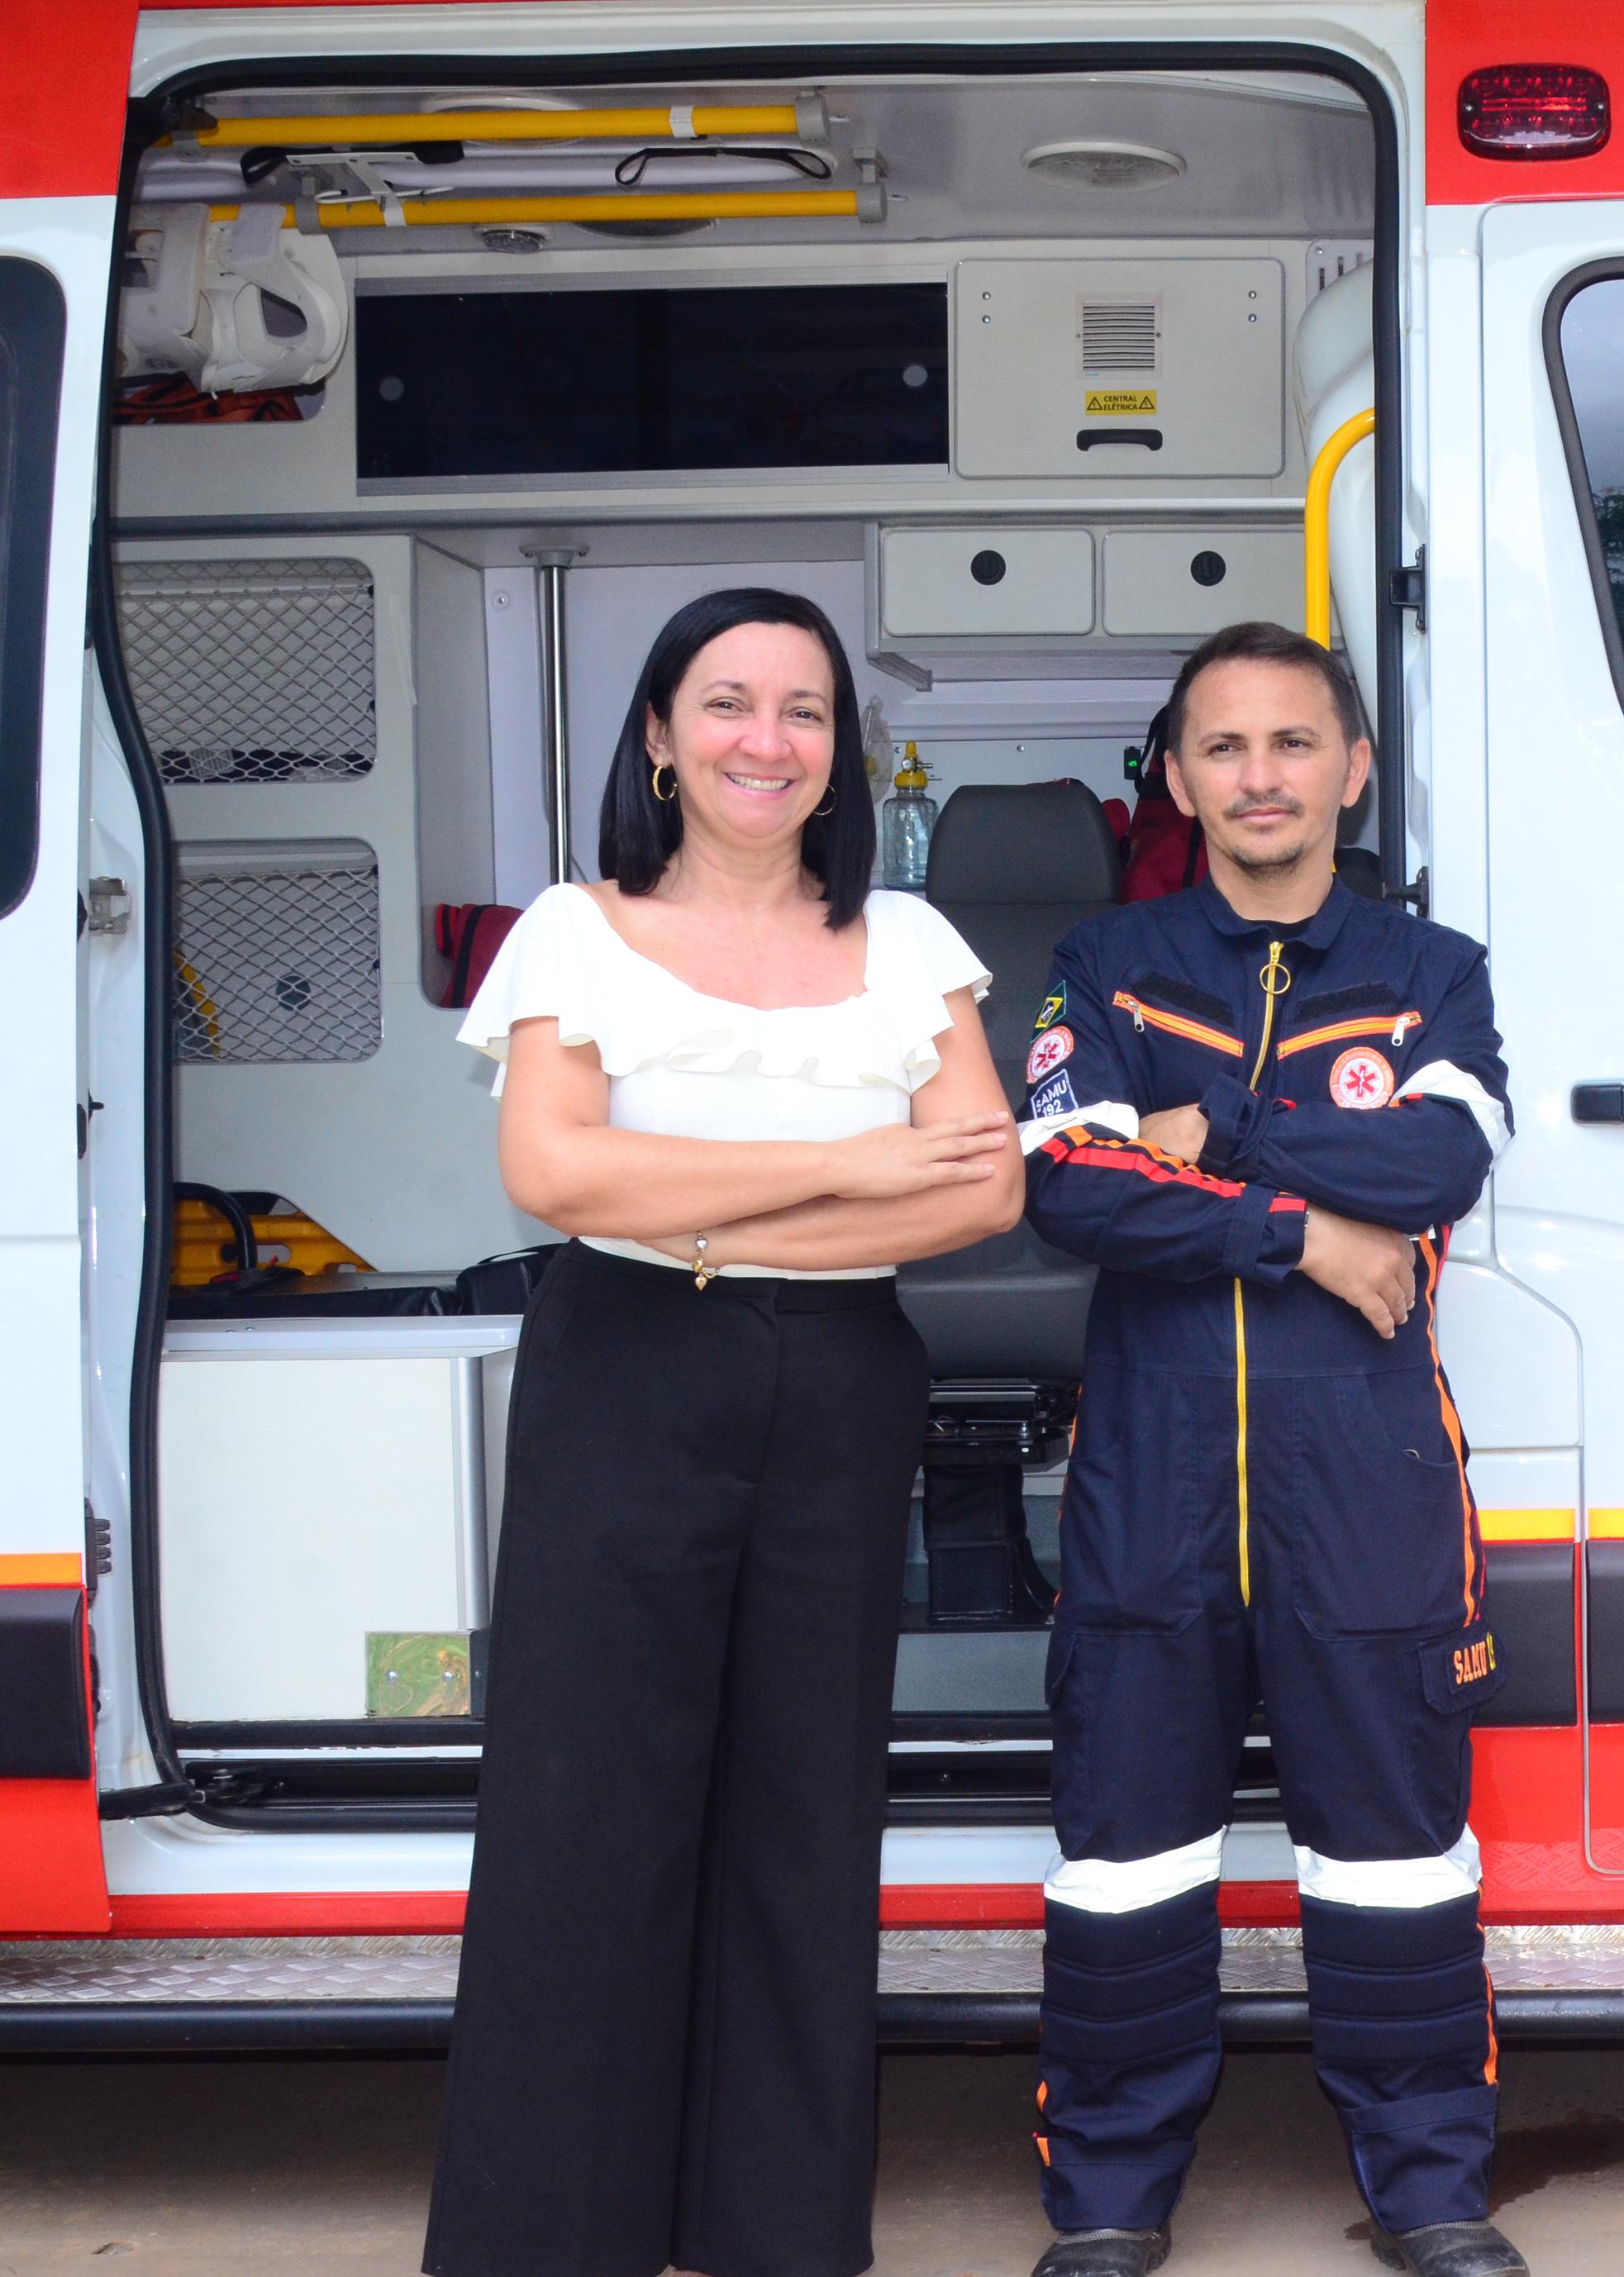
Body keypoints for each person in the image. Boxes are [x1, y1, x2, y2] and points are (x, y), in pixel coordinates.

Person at [424, 588, 1020, 2277]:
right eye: (730, 702)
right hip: (624, 1371)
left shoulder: (907, 943)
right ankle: (551, 2240)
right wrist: (843, 1166)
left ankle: (776, 2234)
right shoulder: (575, 927)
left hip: (839, 1380)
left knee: (803, 1811)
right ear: (661, 738)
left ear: (841, 750)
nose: (769, 739)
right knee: (585, 1811)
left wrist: (696, 1207)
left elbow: (978, 1190)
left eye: (806, 709)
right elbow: (554, 1176)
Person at [1019, 622, 1520, 2277]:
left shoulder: (1429, 970)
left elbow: (1440, 1159)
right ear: (1176, 775)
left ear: (1352, 769)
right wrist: (1305, 1232)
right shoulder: (1107, 961)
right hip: (1152, 1486)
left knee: (1393, 1857)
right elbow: (1072, 1185)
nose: (1258, 777)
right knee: (1124, 1858)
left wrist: (1207, 1136)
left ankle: (1430, 2184)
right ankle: (1106, 2189)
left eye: (1292, 743)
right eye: (1222, 748)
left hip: (1362, 1487)